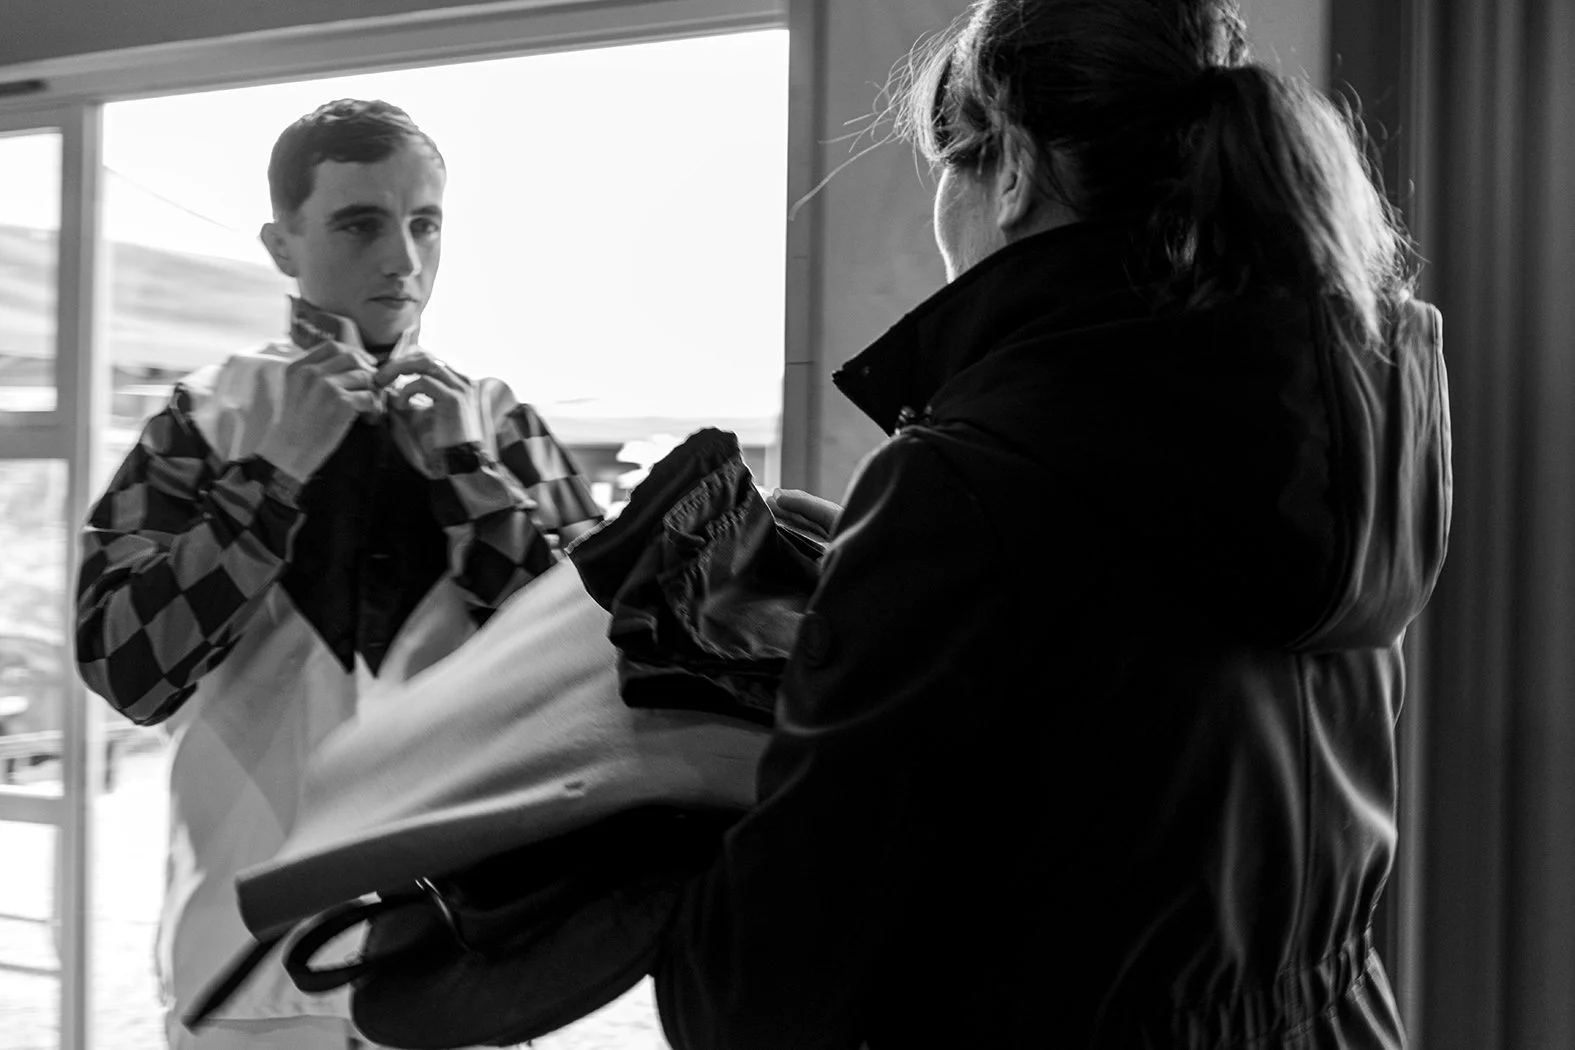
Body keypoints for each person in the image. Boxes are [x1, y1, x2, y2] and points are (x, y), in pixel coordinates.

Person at [653, 1, 1450, 1047]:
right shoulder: (1340, 430)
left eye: (948, 161)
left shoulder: (966, 490)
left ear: (1014, 169)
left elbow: (756, 994)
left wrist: (668, 766)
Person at [73, 99, 602, 1049]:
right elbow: (126, 669)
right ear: (283, 245)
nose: (402, 258)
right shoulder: (204, 418)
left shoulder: (501, 424)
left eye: (424, 223)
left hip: (466, 958)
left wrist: (471, 480)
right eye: (361, 223)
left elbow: (594, 668)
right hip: (244, 970)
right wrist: (268, 479)